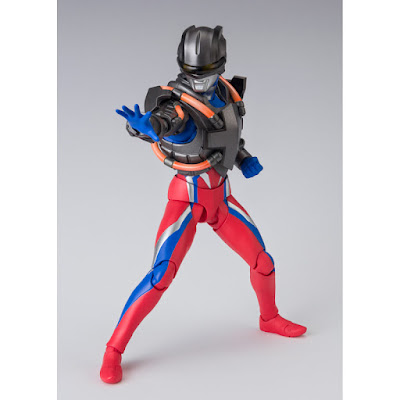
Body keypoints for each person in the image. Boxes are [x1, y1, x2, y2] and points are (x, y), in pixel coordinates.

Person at [100, 25, 306, 384]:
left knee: (263, 261)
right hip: (187, 200)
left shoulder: (225, 93)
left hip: (221, 198)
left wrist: (243, 158)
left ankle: (269, 317)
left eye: (206, 74)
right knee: (160, 276)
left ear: (220, 67)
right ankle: (113, 350)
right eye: (192, 74)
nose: (199, 82)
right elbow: (175, 125)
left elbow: (224, 136)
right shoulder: (177, 104)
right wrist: (149, 127)